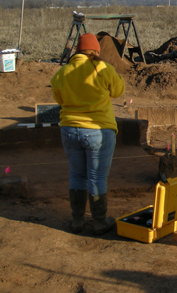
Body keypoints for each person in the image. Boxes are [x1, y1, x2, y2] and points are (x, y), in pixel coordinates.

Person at [50, 33, 125, 235]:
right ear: (96, 51)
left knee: (77, 175)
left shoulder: (62, 73)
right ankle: (99, 221)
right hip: (98, 131)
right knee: (97, 178)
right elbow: (118, 90)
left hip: (69, 130)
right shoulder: (102, 69)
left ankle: (77, 220)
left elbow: (59, 98)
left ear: (77, 51)